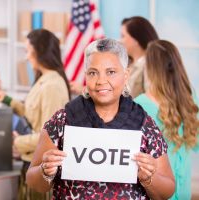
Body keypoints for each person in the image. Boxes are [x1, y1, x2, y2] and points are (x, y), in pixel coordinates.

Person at [26, 38, 175, 199]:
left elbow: (167, 190)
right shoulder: (62, 120)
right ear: (86, 76)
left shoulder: (144, 124)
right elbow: (33, 181)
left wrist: (148, 178)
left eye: (111, 72)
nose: (101, 81)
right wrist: (45, 170)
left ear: (126, 76)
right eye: (93, 73)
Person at [0, 29, 70, 199]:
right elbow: (33, 113)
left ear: (39, 51)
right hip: (32, 162)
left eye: (28, 51)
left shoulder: (52, 86)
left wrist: (16, 142)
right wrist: (8, 101)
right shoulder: (44, 80)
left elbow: (51, 136)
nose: (26, 57)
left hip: (41, 167)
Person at [134, 40, 199, 200]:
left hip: (157, 189)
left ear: (149, 68)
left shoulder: (140, 105)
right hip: (184, 189)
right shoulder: (189, 97)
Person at [120, 16, 159, 98]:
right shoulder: (125, 65)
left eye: (123, 36)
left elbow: (152, 101)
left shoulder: (150, 66)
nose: (120, 41)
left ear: (136, 39)